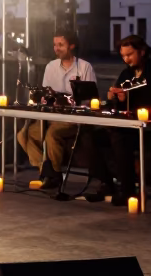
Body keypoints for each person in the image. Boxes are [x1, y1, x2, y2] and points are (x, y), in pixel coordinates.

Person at [84, 34, 151, 205]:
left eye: (129, 55)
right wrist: (114, 97)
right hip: (128, 126)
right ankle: (107, 183)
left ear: (142, 52)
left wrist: (130, 99)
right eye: (123, 56)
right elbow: (119, 102)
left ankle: (127, 190)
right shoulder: (126, 73)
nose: (126, 59)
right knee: (90, 136)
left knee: (119, 138)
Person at [16, 30, 96, 189]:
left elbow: (91, 99)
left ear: (72, 46)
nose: (56, 48)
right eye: (55, 45)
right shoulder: (51, 66)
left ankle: (53, 173)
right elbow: (46, 94)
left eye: (61, 45)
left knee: (52, 134)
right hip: (52, 116)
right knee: (23, 135)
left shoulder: (85, 67)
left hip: (72, 118)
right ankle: (48, 172)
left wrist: (71, 102)